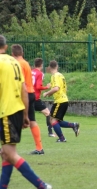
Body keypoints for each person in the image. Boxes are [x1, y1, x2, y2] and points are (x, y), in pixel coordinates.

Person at [0, 35, 52, 189]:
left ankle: (42, 185)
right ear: (6, 46)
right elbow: (24, 89)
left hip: (6, 112)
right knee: (6, 153)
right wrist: (24, 115)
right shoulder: (15, 62)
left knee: (10, 153)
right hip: (16, 110)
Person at [11, 44, 44, 155]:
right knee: (32, 120)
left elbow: (19, 81)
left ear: (12, 54)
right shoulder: (26, 63)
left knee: (10, 119)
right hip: (31, 93)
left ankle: (9, 147)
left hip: (22, 94)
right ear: (22, 53)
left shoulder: (17, 64)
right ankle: (39, 148)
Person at [43, 60, 80, 142]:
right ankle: (74, 125)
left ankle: (62, 138)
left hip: (60, 101)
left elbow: (56, 88)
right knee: (57, 121)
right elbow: (65, 89)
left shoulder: (54, 76)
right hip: (64, 100)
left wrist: (47, 93)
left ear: (49, 67)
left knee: (52, 120)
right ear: (57, 66)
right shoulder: (61, 75)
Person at [32, 58, 56, 137]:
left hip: (28, 96)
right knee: (48, 113)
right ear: (41, 65)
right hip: (35, 98)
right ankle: (50, 133)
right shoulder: (40, 73)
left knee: (24, 116)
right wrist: (47, 87)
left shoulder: (31, 72)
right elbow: (38, 86)